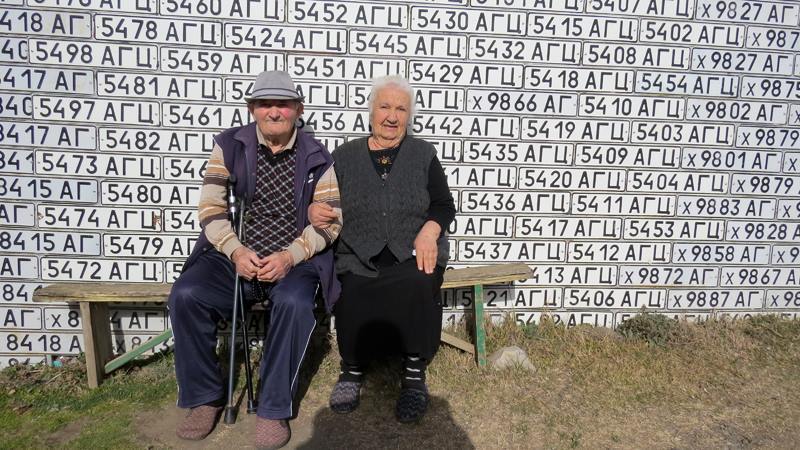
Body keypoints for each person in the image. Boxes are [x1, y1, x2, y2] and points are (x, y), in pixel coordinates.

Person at [167, 70, 341, 449]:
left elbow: (331, 223)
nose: (274, 112)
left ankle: (273, 408)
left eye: (283, 104)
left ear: (298, 109)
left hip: (292, 260)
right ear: (252, 109)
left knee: (294, 302)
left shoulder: (317, 156)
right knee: (187, 294)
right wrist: (235, 250)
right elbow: (210, 209)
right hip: (235, 255)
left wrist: (290, 256)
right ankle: (204, 398)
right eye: (265, 104)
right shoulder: (230, 146)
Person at [310, 75, 455, 423]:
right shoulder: (344, 156)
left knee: (419, 281)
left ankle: (414, 374)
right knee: (352, 286)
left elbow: (443, 205)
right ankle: (352, 369)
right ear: (371, 112)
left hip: (413, 252)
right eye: (385, 107)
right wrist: (314, 209)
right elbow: (322, 202)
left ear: (409, 116)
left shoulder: (423, 154)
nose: (392, 116)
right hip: (358, 253)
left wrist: (429, 232)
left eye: (401, 109)